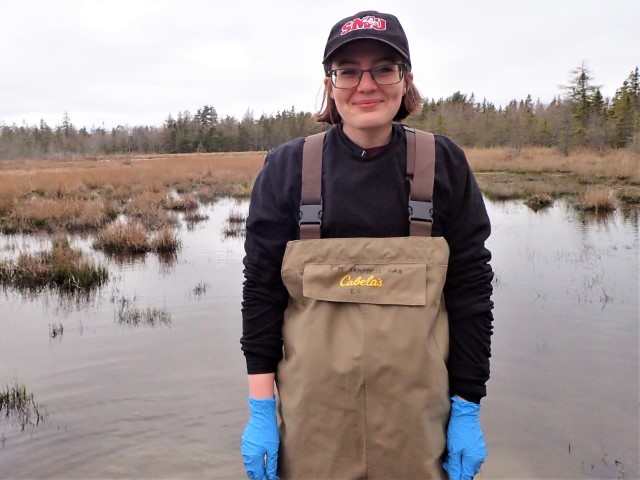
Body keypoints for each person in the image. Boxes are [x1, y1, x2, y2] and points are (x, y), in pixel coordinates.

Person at [240, 10, 493, 480]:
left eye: (383, 67)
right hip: (311, 422)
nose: (367, 84)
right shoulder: (286, 168)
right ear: (330, 84)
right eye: (348, 70)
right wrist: (260, 411)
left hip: (420, 423)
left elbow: (471, 294)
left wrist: (467, 407)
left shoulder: (445, 164)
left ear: (405, 79)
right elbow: (261, 292)